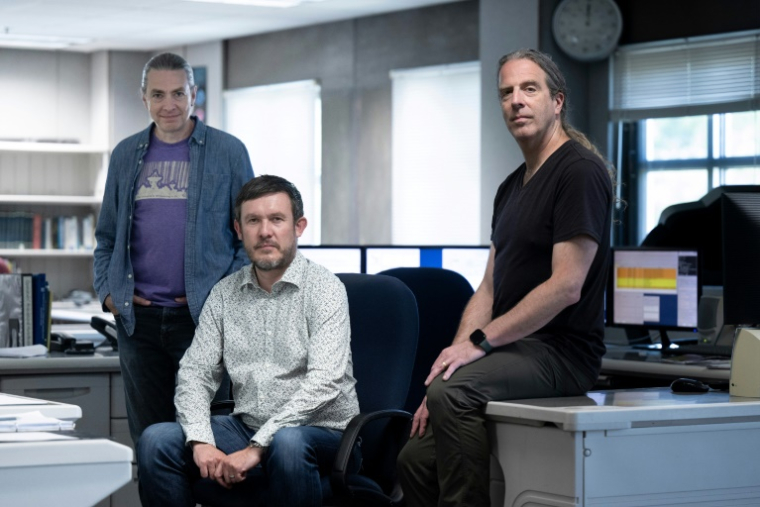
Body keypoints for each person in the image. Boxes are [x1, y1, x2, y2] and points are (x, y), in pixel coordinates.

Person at [397, 48, 614, 507]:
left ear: (557, 101)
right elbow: (489, 289)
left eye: (529, 89)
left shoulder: (579, 172)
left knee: (452, 392)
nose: (516, 100)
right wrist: (449, 361)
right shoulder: (511, 186)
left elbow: (565, 286)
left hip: (562, 353)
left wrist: (477, 348)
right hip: (515, 349)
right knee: (414, 459)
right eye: (506, 92)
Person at [137, 175, 361, 507]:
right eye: (253, 221)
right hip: (246, 428)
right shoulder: (225, 294)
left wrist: (258, 448)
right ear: (239, 230)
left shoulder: (325, 290)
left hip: (324, 435)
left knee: (287, 443)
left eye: (276, 219)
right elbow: (195, 373)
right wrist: (200, 440)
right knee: (157, 440)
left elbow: (324, 383)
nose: (265, 231)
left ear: (298, 226)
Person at [93, 52, 254, 447]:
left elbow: (249, 239)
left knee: (206, 440)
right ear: (143, 98)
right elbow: (107, 238)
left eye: (179, 93)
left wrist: (220, 298)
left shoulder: (228, 152)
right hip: (138, 324)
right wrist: (108, 293)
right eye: (159, 94)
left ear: (194, 94)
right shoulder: (125, 154)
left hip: (201, 321)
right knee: (150, 442)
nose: (169, 105)